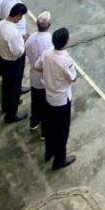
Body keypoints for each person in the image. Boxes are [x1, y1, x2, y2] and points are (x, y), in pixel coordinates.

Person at [36, 27, 77, 170]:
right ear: (65, 42)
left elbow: (37, 66)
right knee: (62, 132)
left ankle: (49, 152)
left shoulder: (47, 53)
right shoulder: (66, 60)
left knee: (49, 127)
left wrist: (50, 74)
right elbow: (73, 77)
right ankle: (59, 160)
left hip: (49, 96)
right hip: (61, 100)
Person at [0, 3, 28, 123]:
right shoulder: (13, 32)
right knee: (14, 88)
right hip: (13, 62)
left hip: (3, 59)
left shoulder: (0, 24)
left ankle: (6, 105)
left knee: (7, 85)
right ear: (18, 15)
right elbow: (18, 52)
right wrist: (23, 42)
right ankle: (11, 114)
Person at [25, 11, 53, 134]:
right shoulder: (50, 41)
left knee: (35, 101)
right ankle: (44, 132)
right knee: (47, 106)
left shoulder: (31, 38)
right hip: (47, 79)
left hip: (34, 77)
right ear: (49, 25)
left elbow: (27, 51)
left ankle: (34, 122)